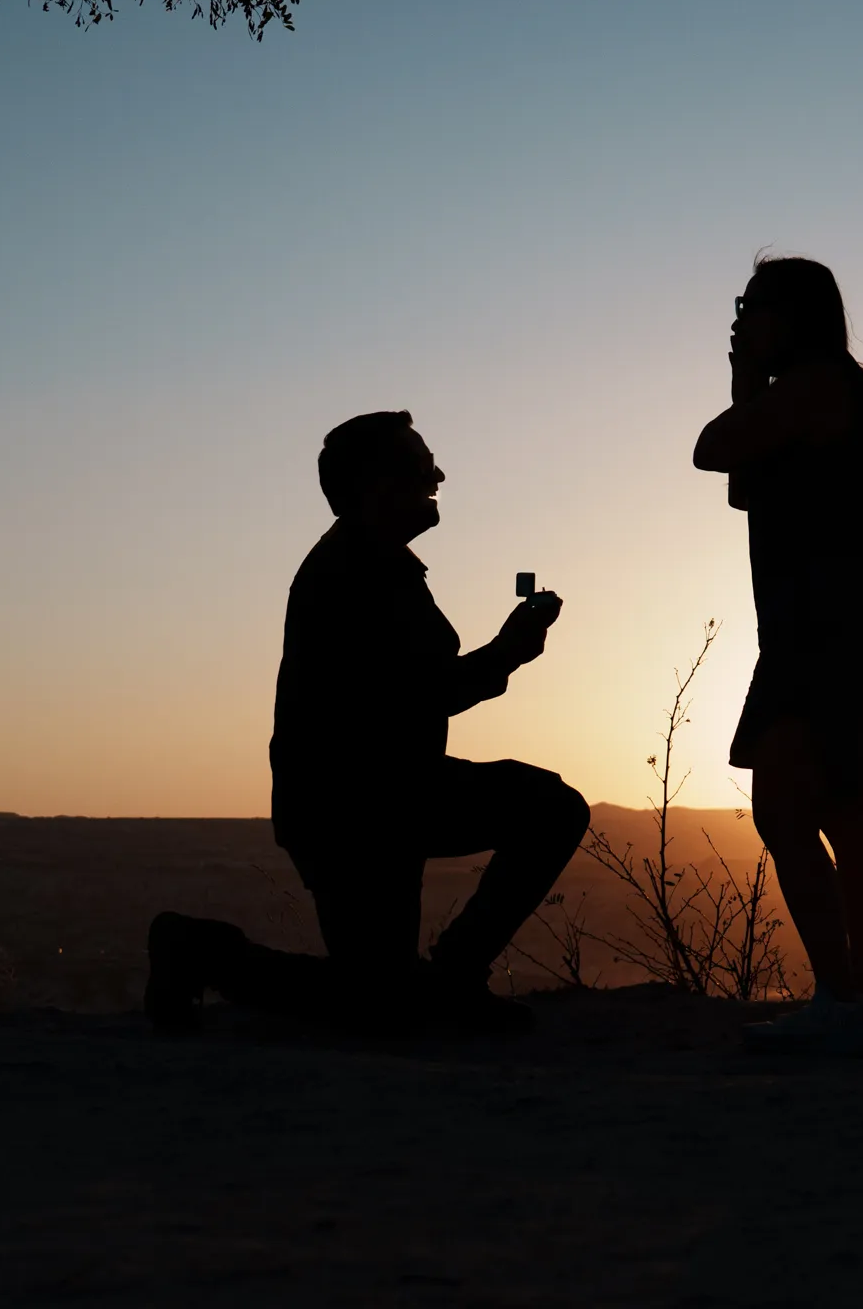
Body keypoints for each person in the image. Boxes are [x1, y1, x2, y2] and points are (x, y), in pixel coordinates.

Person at [144, 411, 589, 1035]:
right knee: (381, 1005)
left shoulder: (372, 563)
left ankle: (444, 981)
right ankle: (206, 952)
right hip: (354, 810)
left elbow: (411, 695)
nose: (437, 474)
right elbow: (419, 695)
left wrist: (504, 652)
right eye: (419, 464)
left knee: (389, 993)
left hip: (381, 797)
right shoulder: (357, 570)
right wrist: (508, 651)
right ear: (374, 483)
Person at [693, 257, 863, 1055]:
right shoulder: (830, 393)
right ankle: (862, 1003)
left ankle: (842, 999)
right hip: (829, 624)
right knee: (846, 817)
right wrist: (754, 387)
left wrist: (747, 382)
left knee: (787, 813)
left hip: (818, 629)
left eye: (752, 308)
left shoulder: (817, 387)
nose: (740, 321)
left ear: (794, 316)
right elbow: (744, 485)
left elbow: (711, 449)